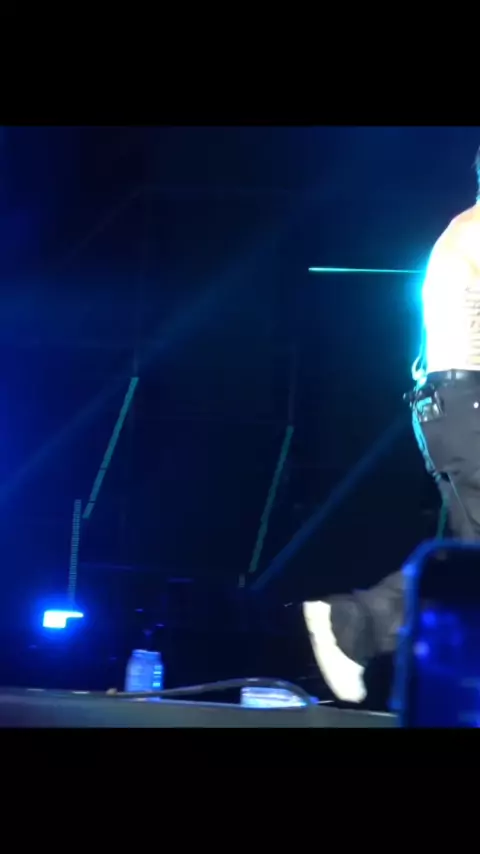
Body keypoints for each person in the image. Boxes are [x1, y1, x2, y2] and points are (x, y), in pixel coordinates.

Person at [303, 145, 480, 703]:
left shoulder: (464, 228)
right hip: (468, 405)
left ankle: (362, 628)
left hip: (453, 406)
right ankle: (355, 623)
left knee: (471, 561)